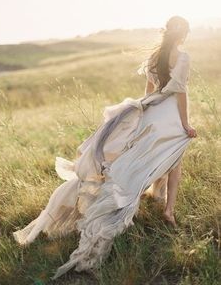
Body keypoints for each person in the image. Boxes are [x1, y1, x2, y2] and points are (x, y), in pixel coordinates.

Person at [13, 15, 197, 280]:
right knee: (174, 157)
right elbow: (181, 92)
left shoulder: (155, 56)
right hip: (168, 114)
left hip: (148, 110)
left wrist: (139, 113)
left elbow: (147, 91)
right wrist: (185, 124)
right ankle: (168, 210)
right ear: (183, 34)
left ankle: (156, 194)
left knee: (146, 158)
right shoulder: (183, 57)